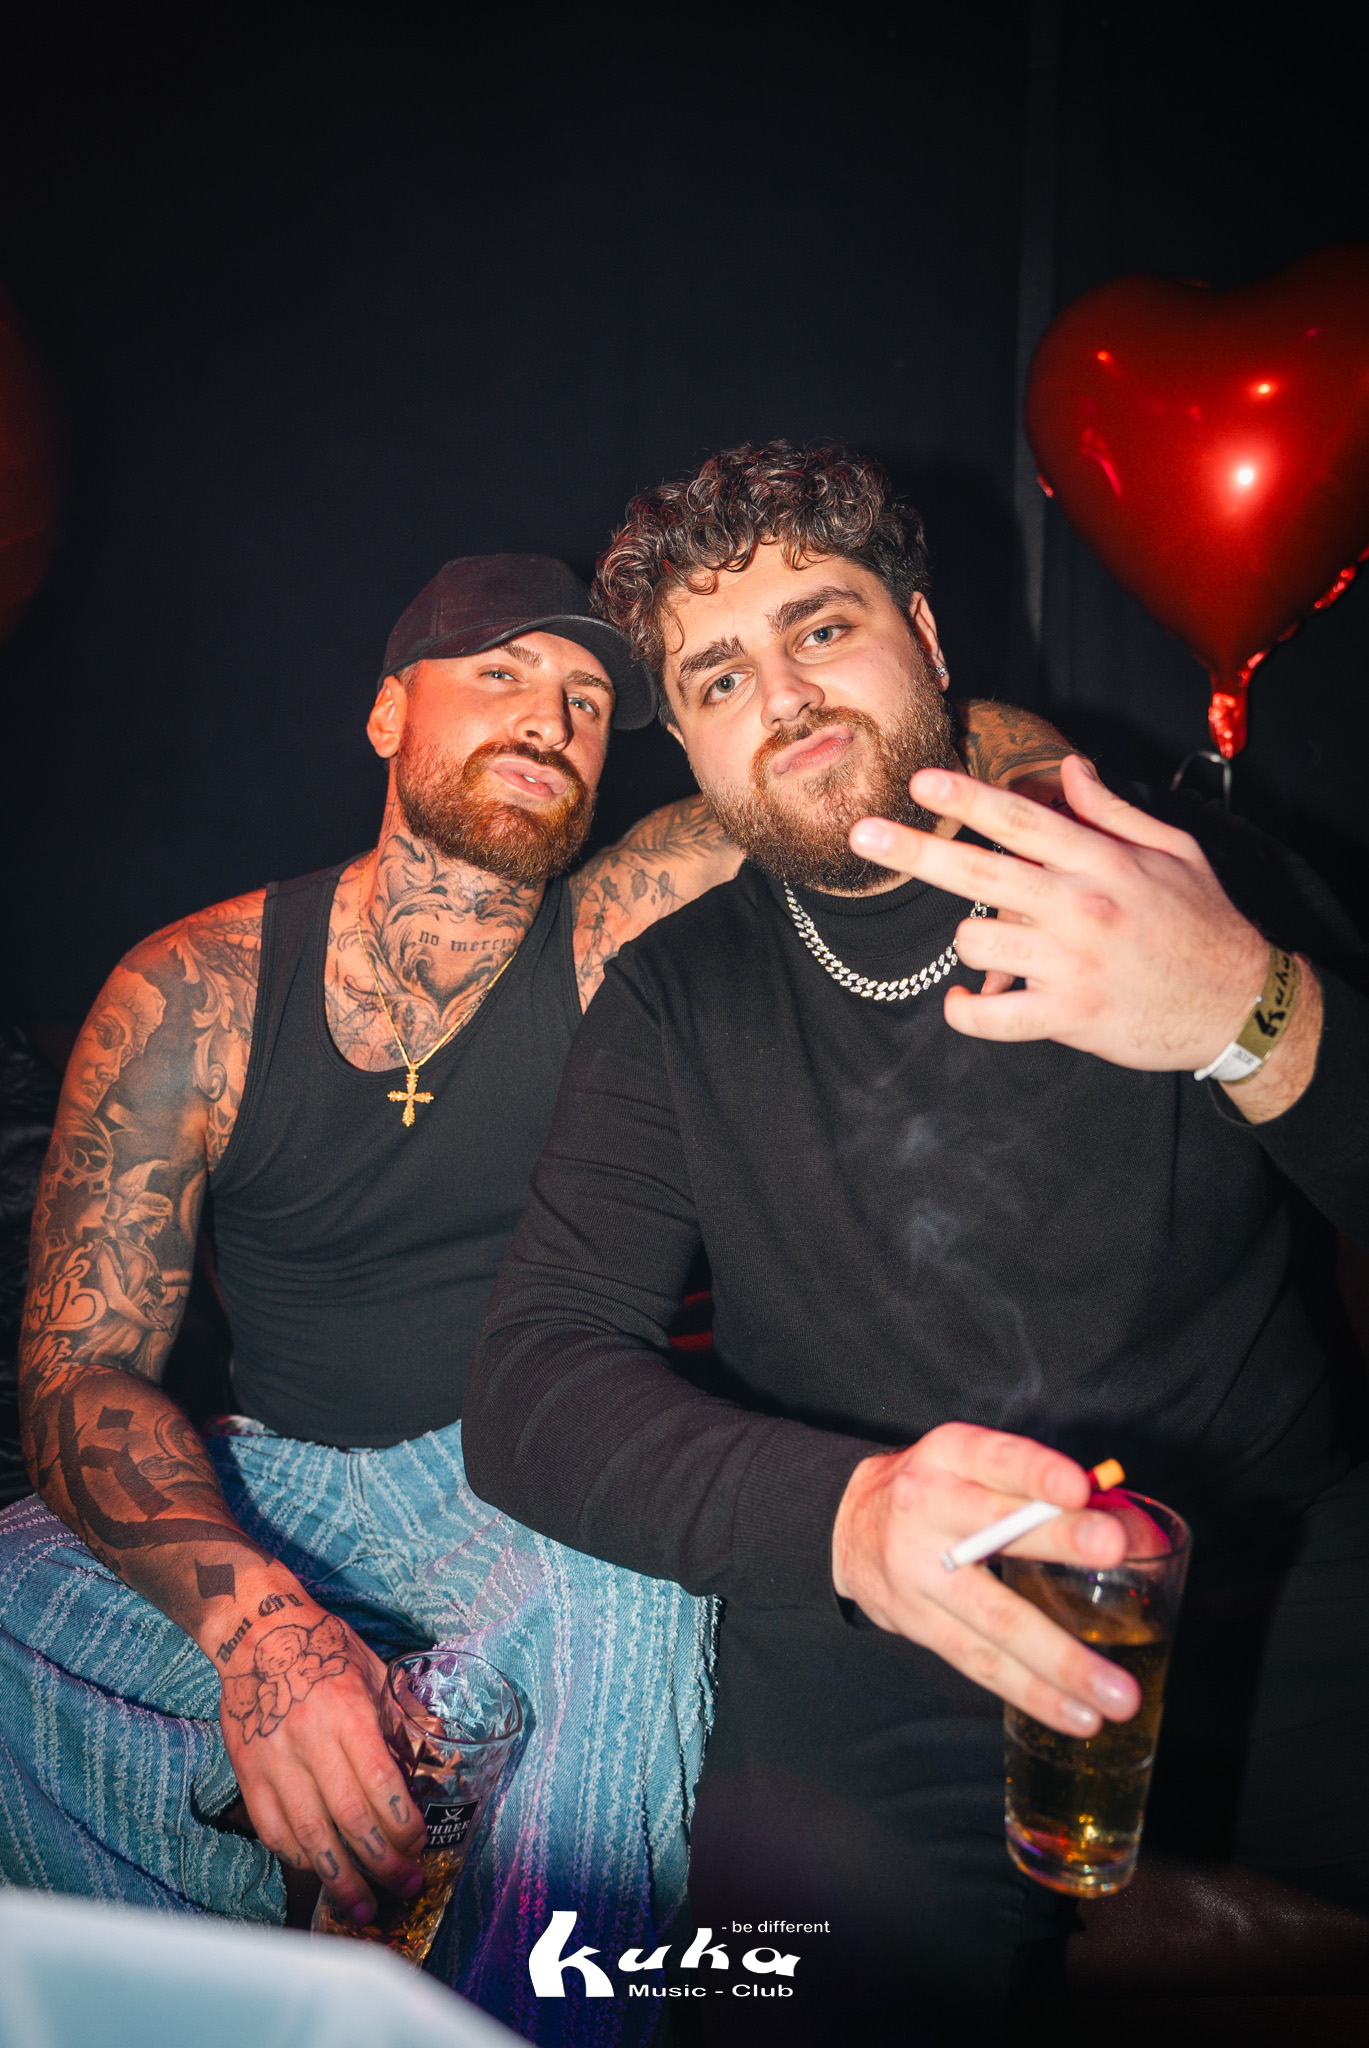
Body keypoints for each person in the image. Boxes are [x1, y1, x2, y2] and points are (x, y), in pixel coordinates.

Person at [0, 550, 1068, 2038]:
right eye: (499, 671)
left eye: (582, 696)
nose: (549, 715)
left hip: (527, 1487)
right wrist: (262, 1631)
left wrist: (1079, 841)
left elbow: (958, 743)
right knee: (10, 1601)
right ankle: (204, 2004)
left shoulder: (617, 927)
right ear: (387, 713)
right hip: (277, 1484)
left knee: (635, 1580)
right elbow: (79, 1373)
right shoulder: (197, 989)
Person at [464, 447, 1369, 2039]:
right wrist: (851, 1517)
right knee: (784, 1994)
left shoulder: (1177, 871)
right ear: (689, 744)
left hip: (1270, 1574)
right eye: (719, 676)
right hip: (881, 1639)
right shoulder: (674, 997)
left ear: (930, 639)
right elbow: (530, 1382)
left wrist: (1247, 1012)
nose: (784, 695)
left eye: (822, 627)